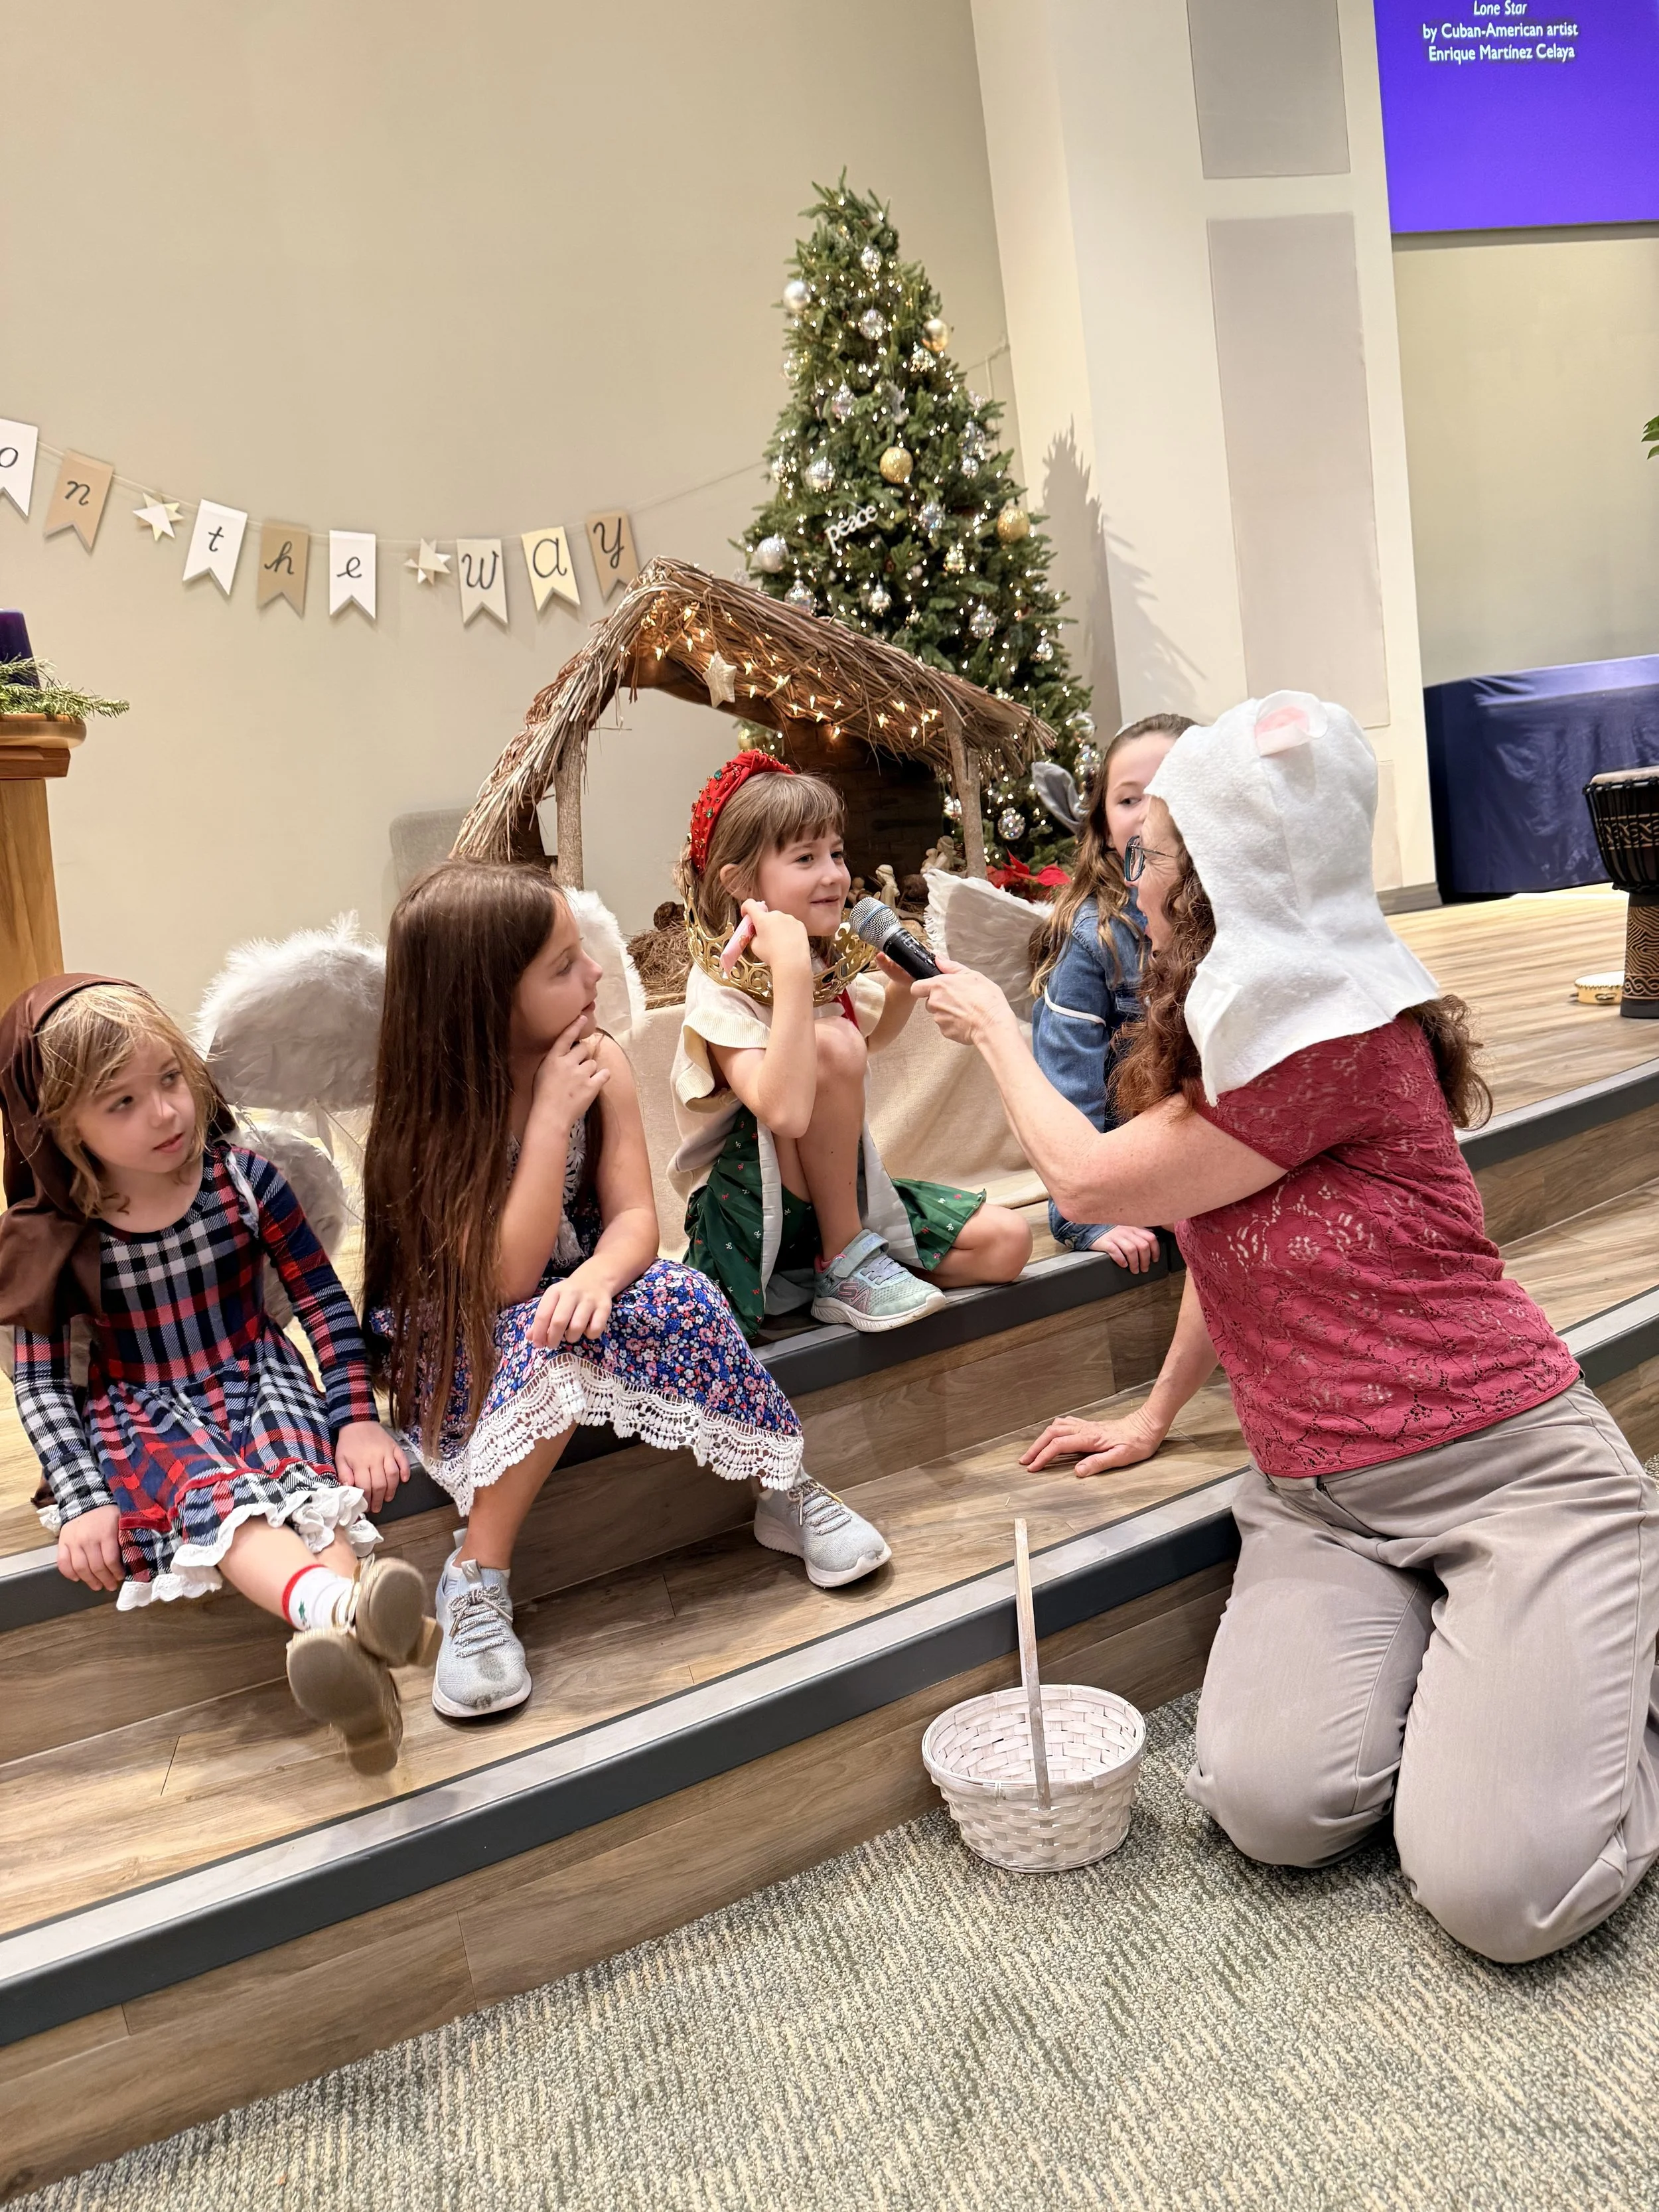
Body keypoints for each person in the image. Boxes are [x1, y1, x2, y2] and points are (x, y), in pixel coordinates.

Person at [918, 690, 1659, 1965]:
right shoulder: (1234, 1024)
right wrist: (1156, 1412)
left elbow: (1086, 1185)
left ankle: (1611, 1672)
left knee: (1500, 1890)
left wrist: (991, 1026)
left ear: (1214, 881)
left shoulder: (1333, 1039)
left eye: (1151, 851)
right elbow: (1230, 1241)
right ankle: (1493, 1669)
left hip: (1512, 1475)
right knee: (1275, 1809)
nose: (1132, 871)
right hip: (1321, 1498)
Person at [362, 860, 893, 1725]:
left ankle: (781, 1482)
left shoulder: (599, 1055)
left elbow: (637, 1219)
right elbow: (505, 1281)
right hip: (467, 1322)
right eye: (563, 964)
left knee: (687, 1294)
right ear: (486, 993)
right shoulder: (436, 1109)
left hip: (576, 1285)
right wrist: (544, 1124)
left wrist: (608, 1274)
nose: (598, 973)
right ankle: (476, 1573)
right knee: (549, 1339)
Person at [0, 976, 433, 1775]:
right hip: (147, 1412)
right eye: (120, 1103)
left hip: (258, 1377)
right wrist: (83, 1497)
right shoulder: (54, 1239)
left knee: (308, 1491)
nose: (164, 1113)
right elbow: (39, 1383)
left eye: (168, 1080)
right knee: (224, 1504)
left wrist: (355, 1415)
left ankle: (357, 1676)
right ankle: (345, 1611)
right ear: (63, 1127)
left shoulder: (245, 1182)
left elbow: (324, 1303)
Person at [672, 749, 1030, 1338]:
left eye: (836, 853)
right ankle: (842, 1263)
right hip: (755, 1210)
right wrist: (788, 976)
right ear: (739, 882)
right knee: (831, 1045)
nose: (835, 874)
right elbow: (783, 1108)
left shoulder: (821, 957)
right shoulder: (719, 980)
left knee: (1008, 1243)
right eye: (806, 858)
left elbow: (866, 1041)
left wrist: (894, 988)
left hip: (835, 1194)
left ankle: (836, 1276)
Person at [1028, 711, 1191, 1270]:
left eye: (1167, 791)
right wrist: (1086, 1209)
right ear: (1100, 827)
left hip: (1214, 1154)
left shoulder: (1235, 914)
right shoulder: (1092, 938)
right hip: (1129, 1171)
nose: (1150, 813)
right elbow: (1065, 1086)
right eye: (1129, 800)